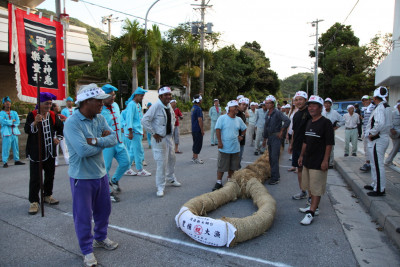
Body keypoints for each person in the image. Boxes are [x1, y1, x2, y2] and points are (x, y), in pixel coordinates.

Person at [63, 84, 118, 267]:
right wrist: (103, 142)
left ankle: (101, 237)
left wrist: (95, 140)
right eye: (99, 100)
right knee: (83, 216)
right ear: (86, 102)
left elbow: (113, 139)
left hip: (101, 174)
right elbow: (82, 150)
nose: (102, 103)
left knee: (104, 211)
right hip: (82, 177)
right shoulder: (72, 123)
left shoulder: (100, 118)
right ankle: (87, 250)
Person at [25, 92, 63, 215]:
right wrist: (35, 122)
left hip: (49, 151)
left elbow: (60, 127)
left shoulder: (52, 115)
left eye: (50, 104)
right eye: (46, 103)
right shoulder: (33, 115)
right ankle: (34, 201)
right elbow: (27, 130)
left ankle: (48, 195)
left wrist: (57, 138)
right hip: (37, 152)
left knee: (50, 175)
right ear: (39, 104)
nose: (48, 106)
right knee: (35, 177)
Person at [298, 95, 334, 225]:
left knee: (316, 187)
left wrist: (326, 160)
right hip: (308, 160)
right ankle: (313, 206)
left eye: (314, 105)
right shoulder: (309, 122)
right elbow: (305, 141)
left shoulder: (326, 123)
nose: (311, 108)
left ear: (320, 108)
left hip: (319, 162)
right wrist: (301, 156)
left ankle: (311, 212)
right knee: (309, 186)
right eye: (310, 105)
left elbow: (329, 144)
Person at [141, 86, 181, 197]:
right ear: (160, 96)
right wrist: (153, 133)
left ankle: (171, 178)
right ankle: (160, 186)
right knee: (161, 163)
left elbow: (172, 119)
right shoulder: (156, 106)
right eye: (166, 95)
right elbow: (144, 120)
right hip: (160, 139)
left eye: (169, 95)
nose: (168, 97)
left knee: (172, 159)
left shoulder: (168, 106)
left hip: (168, 138)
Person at [101, 84, 130, 202]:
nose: (113, 98)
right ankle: (107, 192)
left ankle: (114, 180)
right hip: (107, 144)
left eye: (113, 95)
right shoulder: (99, 109)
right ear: (103, 97)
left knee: (126, 162)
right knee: (105, 168)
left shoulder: (116, 105)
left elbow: (120, 119)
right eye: (110, 96)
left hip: (119, 141)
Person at [212, 100, 247, 191]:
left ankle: (229, 181)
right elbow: (218, 130)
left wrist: (241, 136)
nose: (236, 108)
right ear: (229, 108)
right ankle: (219, 182)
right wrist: (219, 142)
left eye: (237, 106)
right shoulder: (222, 118)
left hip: (235, 148)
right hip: (224, 148)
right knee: (222, 166)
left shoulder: (239, 119)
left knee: (233, 166)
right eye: (234, 106)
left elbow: (244, 128)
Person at [364, 87, 392, 197]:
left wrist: (372, 133)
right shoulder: (387, 107)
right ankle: (375, 184)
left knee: (377, 164)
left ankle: (380, 188)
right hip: (381, 138)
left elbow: (379, 123)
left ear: (375, 98)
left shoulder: (380, 107)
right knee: (375, 163)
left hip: (378, 139)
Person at [262, 95, 290, 185]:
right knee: (270, 158)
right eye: (266, 103)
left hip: (276, 137)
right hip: (270, 138)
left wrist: (282, 131)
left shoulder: (277, 112)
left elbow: (287, 121)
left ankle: (275, 177)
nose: (267, 105)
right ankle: (273, 174)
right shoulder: (267, 114)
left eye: (269, 103)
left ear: (273, 104)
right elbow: (266, 127)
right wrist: (264, 139)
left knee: (274, 157)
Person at [289, 91, 311, 200]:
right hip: (297, 146)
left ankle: (312, 197)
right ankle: (303, 191)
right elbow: (294, 131)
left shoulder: (310, 113)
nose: (298, 102)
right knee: (299, 169)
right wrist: (291, 145)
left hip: (308, 147)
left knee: (308, 171)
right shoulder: (296, 114)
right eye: (296, 100)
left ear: (306, 100)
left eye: (300, 99)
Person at [126, 87, 151, 176]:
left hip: (138, 131)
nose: (142, 98)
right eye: (141, 96)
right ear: (136, 95)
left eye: (143, 96)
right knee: (138, 151)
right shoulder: (131, 104)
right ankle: (140, 170)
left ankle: (127, 168)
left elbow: (140, 118)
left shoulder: (138, 105)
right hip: (134, 131)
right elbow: (129, 118)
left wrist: (142, 130)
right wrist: (130, 132)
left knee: (132, 151)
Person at [0, 96, 25, 168]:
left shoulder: (14, 112)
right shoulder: (1, 113)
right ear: (3, 104)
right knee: (6, 147)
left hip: (14, 131)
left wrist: (12, 123)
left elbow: (17, 121)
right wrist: (11, 121)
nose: (8, 104)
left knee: (16, 147)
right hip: (6, 132)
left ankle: (17, 160)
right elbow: (2, 121)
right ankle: (5, 161)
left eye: (9, 102)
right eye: (6, 102)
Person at [321, 98, 344, 168]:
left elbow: (342, 120)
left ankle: (330, 163)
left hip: (330, 131)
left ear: (331, 104)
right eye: (326, 103)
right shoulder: (322, 112)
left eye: (328, 103)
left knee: (330, 147)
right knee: (322, 147)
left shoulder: (334, 112)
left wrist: (336, 126)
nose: (327, 105)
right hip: (321, 132)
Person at [359, 95, 375, 172]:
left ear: (370, 100)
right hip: (366, 132)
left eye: (366, 100)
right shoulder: (365, 109)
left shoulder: (373, 108)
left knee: (370, 149)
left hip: (371, 133)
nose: (365, 102)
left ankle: (369, 164)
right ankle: (368, 163)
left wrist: (372, 132)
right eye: (363, 101)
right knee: (366, 149)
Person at [191, 94, 204, 163]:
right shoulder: (198, 109)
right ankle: (196, 158)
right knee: (198, 143)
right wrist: (202, 129)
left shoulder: (193, 107)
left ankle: (194, 157)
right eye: (201, 99)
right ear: (198, 100)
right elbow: (200, 120)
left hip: (194, 129)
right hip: (197, 129)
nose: (201, 100)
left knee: (195, 143)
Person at [237, 97, 249, 164]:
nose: (245, 106)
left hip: (242, 139)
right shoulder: (237, 114)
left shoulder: (242, 113)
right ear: (239, 104)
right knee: (237, 159)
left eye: (246, 105)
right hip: (238, 139)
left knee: (239, 158)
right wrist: (240, 135)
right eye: (243, 104)